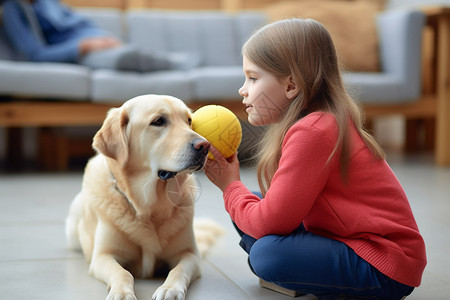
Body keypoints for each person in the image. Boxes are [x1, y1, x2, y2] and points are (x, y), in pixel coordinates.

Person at [204, 18, 426, 299]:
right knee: (253, 201)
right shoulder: (319, 122)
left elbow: (270, 224)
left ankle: (300, 274)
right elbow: (277, 215)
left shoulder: (314, 131)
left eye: (253, 77)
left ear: (291, 85)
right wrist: (236, 192)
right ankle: (306, 272)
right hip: (343, 238)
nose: (243, 89)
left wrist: (228, 186)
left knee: (266, 254)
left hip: (383, 263)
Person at [1, 0, 198, 71]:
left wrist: (99, 38)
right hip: (80, 51)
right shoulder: (13, 9)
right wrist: (85, 45)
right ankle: (176, 64)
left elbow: (75, 22)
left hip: (95, 40)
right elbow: (35, 55)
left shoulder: (47, 2)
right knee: (128, 57)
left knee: (127, 53)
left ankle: (175, 62)